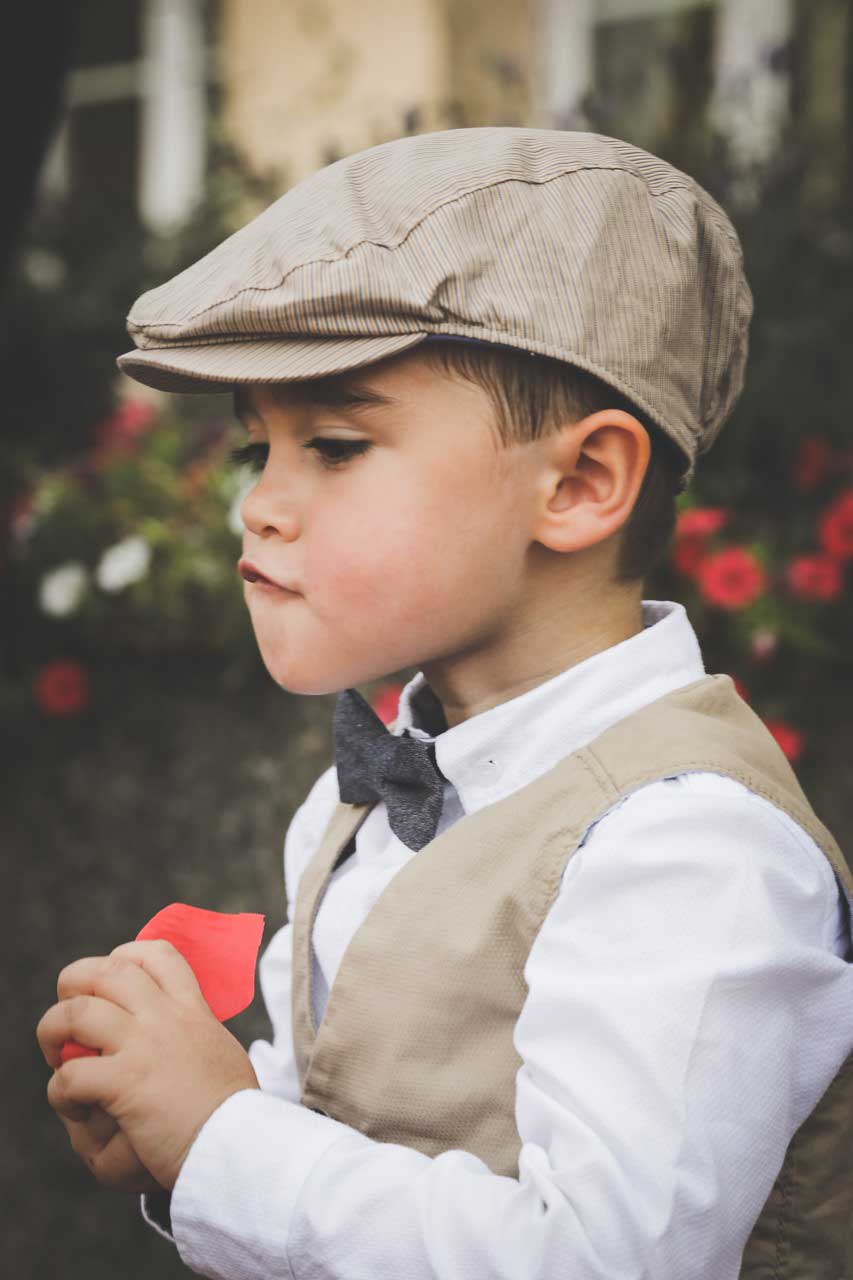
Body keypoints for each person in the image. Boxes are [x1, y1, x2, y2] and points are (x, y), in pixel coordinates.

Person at [36, 128, 853, 1279]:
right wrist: (182, 1131)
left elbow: (601, 1259)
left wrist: (227, 1136)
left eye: (332, 443)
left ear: (578, 484)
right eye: (253, 452)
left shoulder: (685, 843)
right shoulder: (358, 791)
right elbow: (341, 1130)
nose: (260, 506)